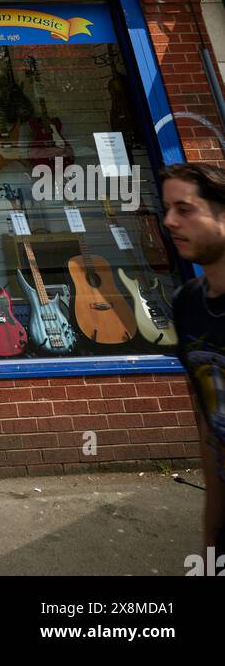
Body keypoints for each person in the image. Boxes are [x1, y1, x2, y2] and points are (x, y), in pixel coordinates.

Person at [161, 164, 225, 561]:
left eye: (184, 209)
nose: (169, 221)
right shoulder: (187, 304)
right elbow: (209, 429)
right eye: (167, 209)